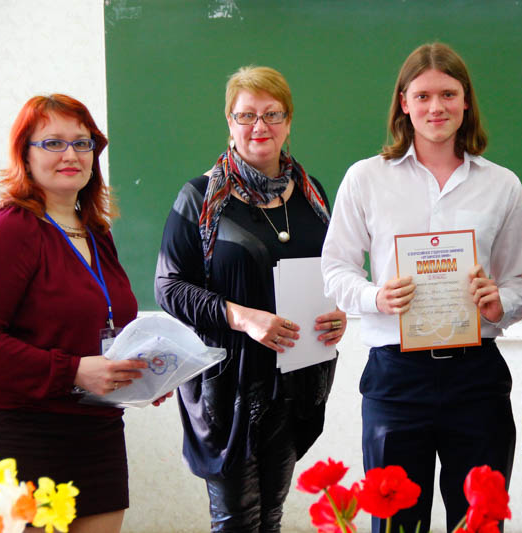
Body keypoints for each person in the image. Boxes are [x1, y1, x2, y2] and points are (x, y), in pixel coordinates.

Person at [322, 43, 522, 532]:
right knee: (396, 524)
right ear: (403, 103)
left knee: (479, 523)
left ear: (466, 101)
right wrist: (375, 297)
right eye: (422, 96)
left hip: (475, 377)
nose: (435, 107)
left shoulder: (502, 185)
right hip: (396, 378)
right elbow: (335, 269)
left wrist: (498, 302)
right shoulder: (365, 178)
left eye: (448, 94)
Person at [154, 65, 345, 532]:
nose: (260, 126)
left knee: (271, 517)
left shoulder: (312, 194)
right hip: (229, 385)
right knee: (237, 521)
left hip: (295, 377)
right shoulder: (200, 196)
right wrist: (242, 317)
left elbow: (333, 270)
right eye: (246, 115)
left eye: (272, 114)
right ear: (230, 122)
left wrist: (338, 309)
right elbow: (168, 287)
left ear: (289, 121)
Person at [0, 94, 158, 533]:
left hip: (98, 433)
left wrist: (144, 374)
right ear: (25, 155)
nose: (71, 155)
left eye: (82, 143)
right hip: (23, 435)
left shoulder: (96, 231)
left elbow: (105, 325)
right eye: (53, 143)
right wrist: (74, 371)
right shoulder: (10, 229)